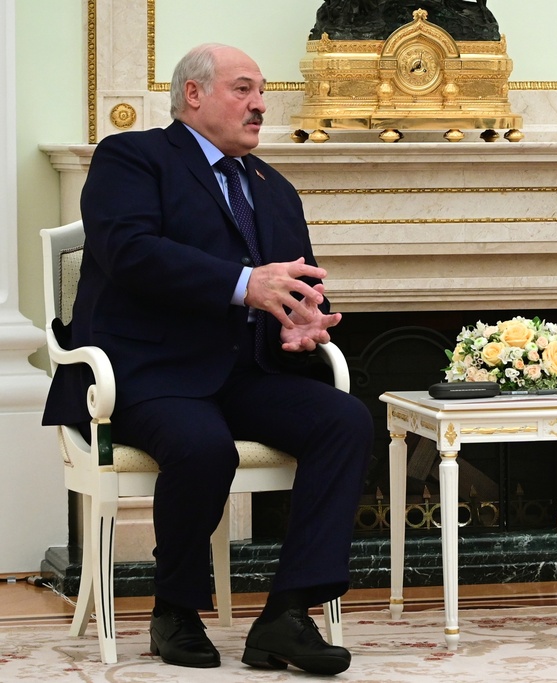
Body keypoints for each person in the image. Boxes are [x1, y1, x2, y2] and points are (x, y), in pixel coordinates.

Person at [42, 43, 374, 674]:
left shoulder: (271, 187)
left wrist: (303, 325)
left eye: (261, 92)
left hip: (244, 372)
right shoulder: (133, 158)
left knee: (345, 419)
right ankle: (175, 611)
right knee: (203, 446)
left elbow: (295, 284)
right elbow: (129, 251)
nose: (260, 105)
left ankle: (287, 614)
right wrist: (245, 283)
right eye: (243, 89)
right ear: (193, 95)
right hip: (148, 373)